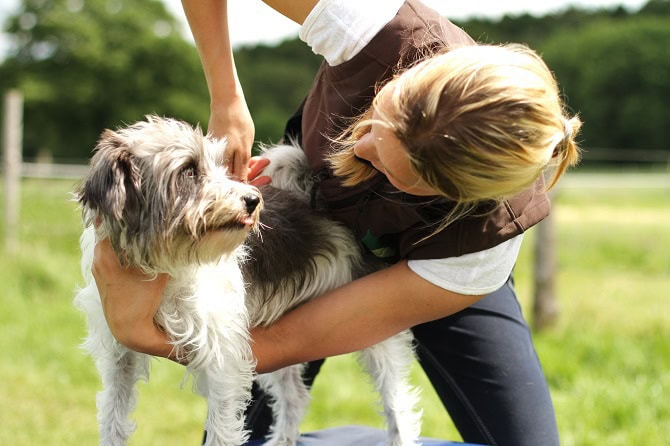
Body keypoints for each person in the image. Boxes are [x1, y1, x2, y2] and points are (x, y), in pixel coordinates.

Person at [92, 0, 582, 445]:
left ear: (443, 195)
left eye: (388, 169)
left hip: (424, 273)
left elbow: (284, 341)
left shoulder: (475, 252)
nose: (360, 149)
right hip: (298, 223)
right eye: (372, 119)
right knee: (246, 437)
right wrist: (226, 95)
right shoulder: (369, 25)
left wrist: (144, 335)